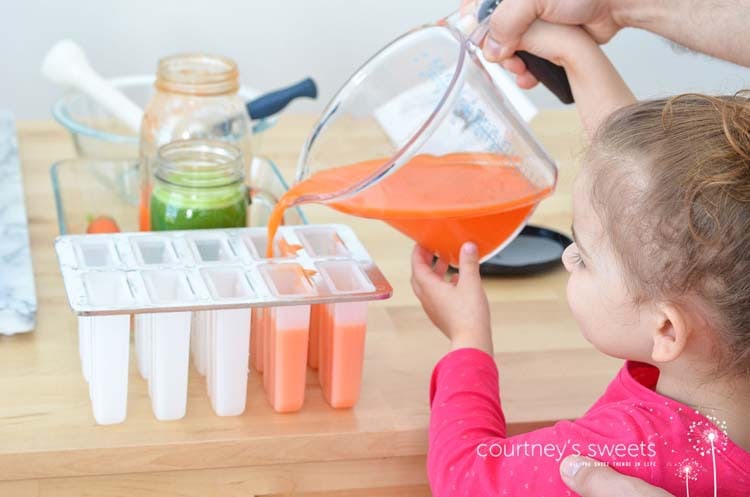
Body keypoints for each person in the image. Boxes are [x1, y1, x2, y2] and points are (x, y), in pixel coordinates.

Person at [412, 12, 750, 497]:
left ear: (667, 330)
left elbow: (468, 477)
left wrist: (467, 341)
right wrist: (575, 55)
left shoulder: (627, 453)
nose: (570, 259)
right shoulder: (723, 340)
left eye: (586, 257)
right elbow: (638, 195)